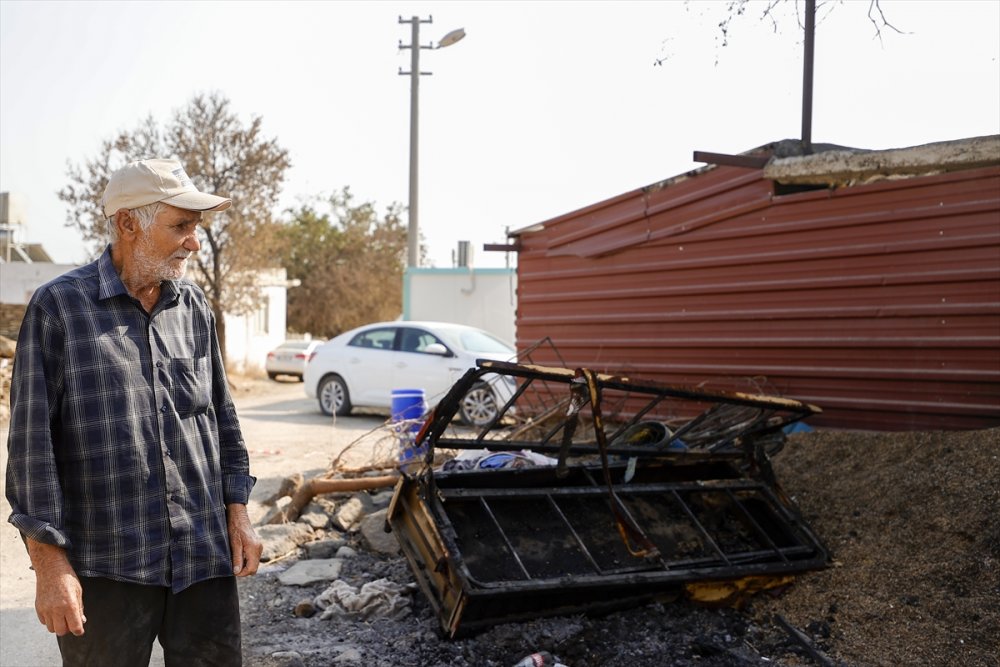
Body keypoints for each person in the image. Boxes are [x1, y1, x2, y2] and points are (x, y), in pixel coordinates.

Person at [5, 158, 262, 667]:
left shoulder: (194, 307)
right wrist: (50, 566)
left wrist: (239, 513)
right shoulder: (59, 308)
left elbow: (223, 421)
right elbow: (32, 450)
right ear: (128, 223)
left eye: (195, 227)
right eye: (181, 226)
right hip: (107, 567)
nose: (193, 242)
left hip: (202, 558)